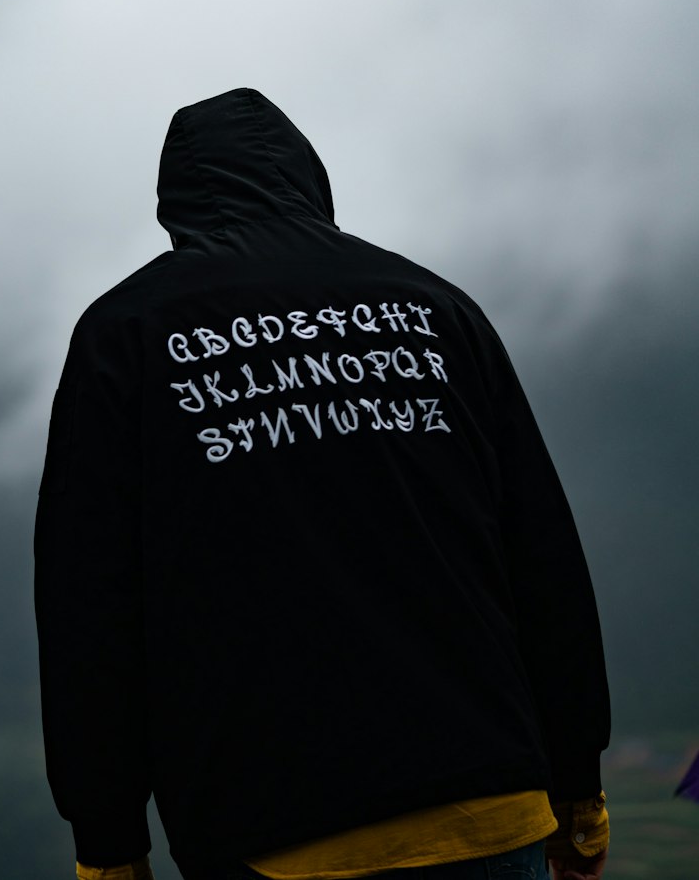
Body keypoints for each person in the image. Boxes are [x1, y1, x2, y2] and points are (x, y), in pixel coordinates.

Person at [35, 88, 610, 880]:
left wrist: (108, 844)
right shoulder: (437, 309)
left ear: (176, 206)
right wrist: (580, 789)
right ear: (310, 180)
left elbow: (88, 611)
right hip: (490, 808)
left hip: (272, 824)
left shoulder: (125, 334)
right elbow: (544, 563)